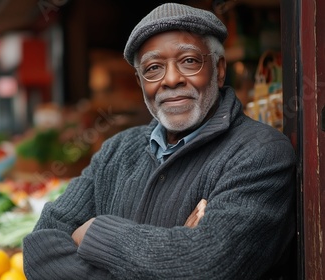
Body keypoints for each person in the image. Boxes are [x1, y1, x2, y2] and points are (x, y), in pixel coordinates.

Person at [23, 3, 296, 280]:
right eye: (153, 68)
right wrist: (170, 255)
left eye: (189, 61)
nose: (172, 79)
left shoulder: (260, 154)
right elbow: (39, 248)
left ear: (219, 69)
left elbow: (208, 266)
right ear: (141, 81)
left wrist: (95, 232)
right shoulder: (117, 151)